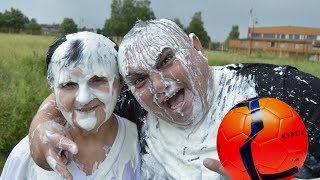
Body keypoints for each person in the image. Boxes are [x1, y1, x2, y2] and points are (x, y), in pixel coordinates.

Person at [28, 19, 320, 179]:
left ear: (196, 47)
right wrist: (42, 124)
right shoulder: (138, 106)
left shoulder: (279, 91)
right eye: (140, 79)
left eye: (167, 60)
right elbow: (80, 95)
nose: (159, 85)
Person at [0, 31, 140, 180]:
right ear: (53, 89)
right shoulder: (25, 155)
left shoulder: (142, 147)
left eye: (98, 80)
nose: (84, 98)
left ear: (119, 83)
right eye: (69, 84)